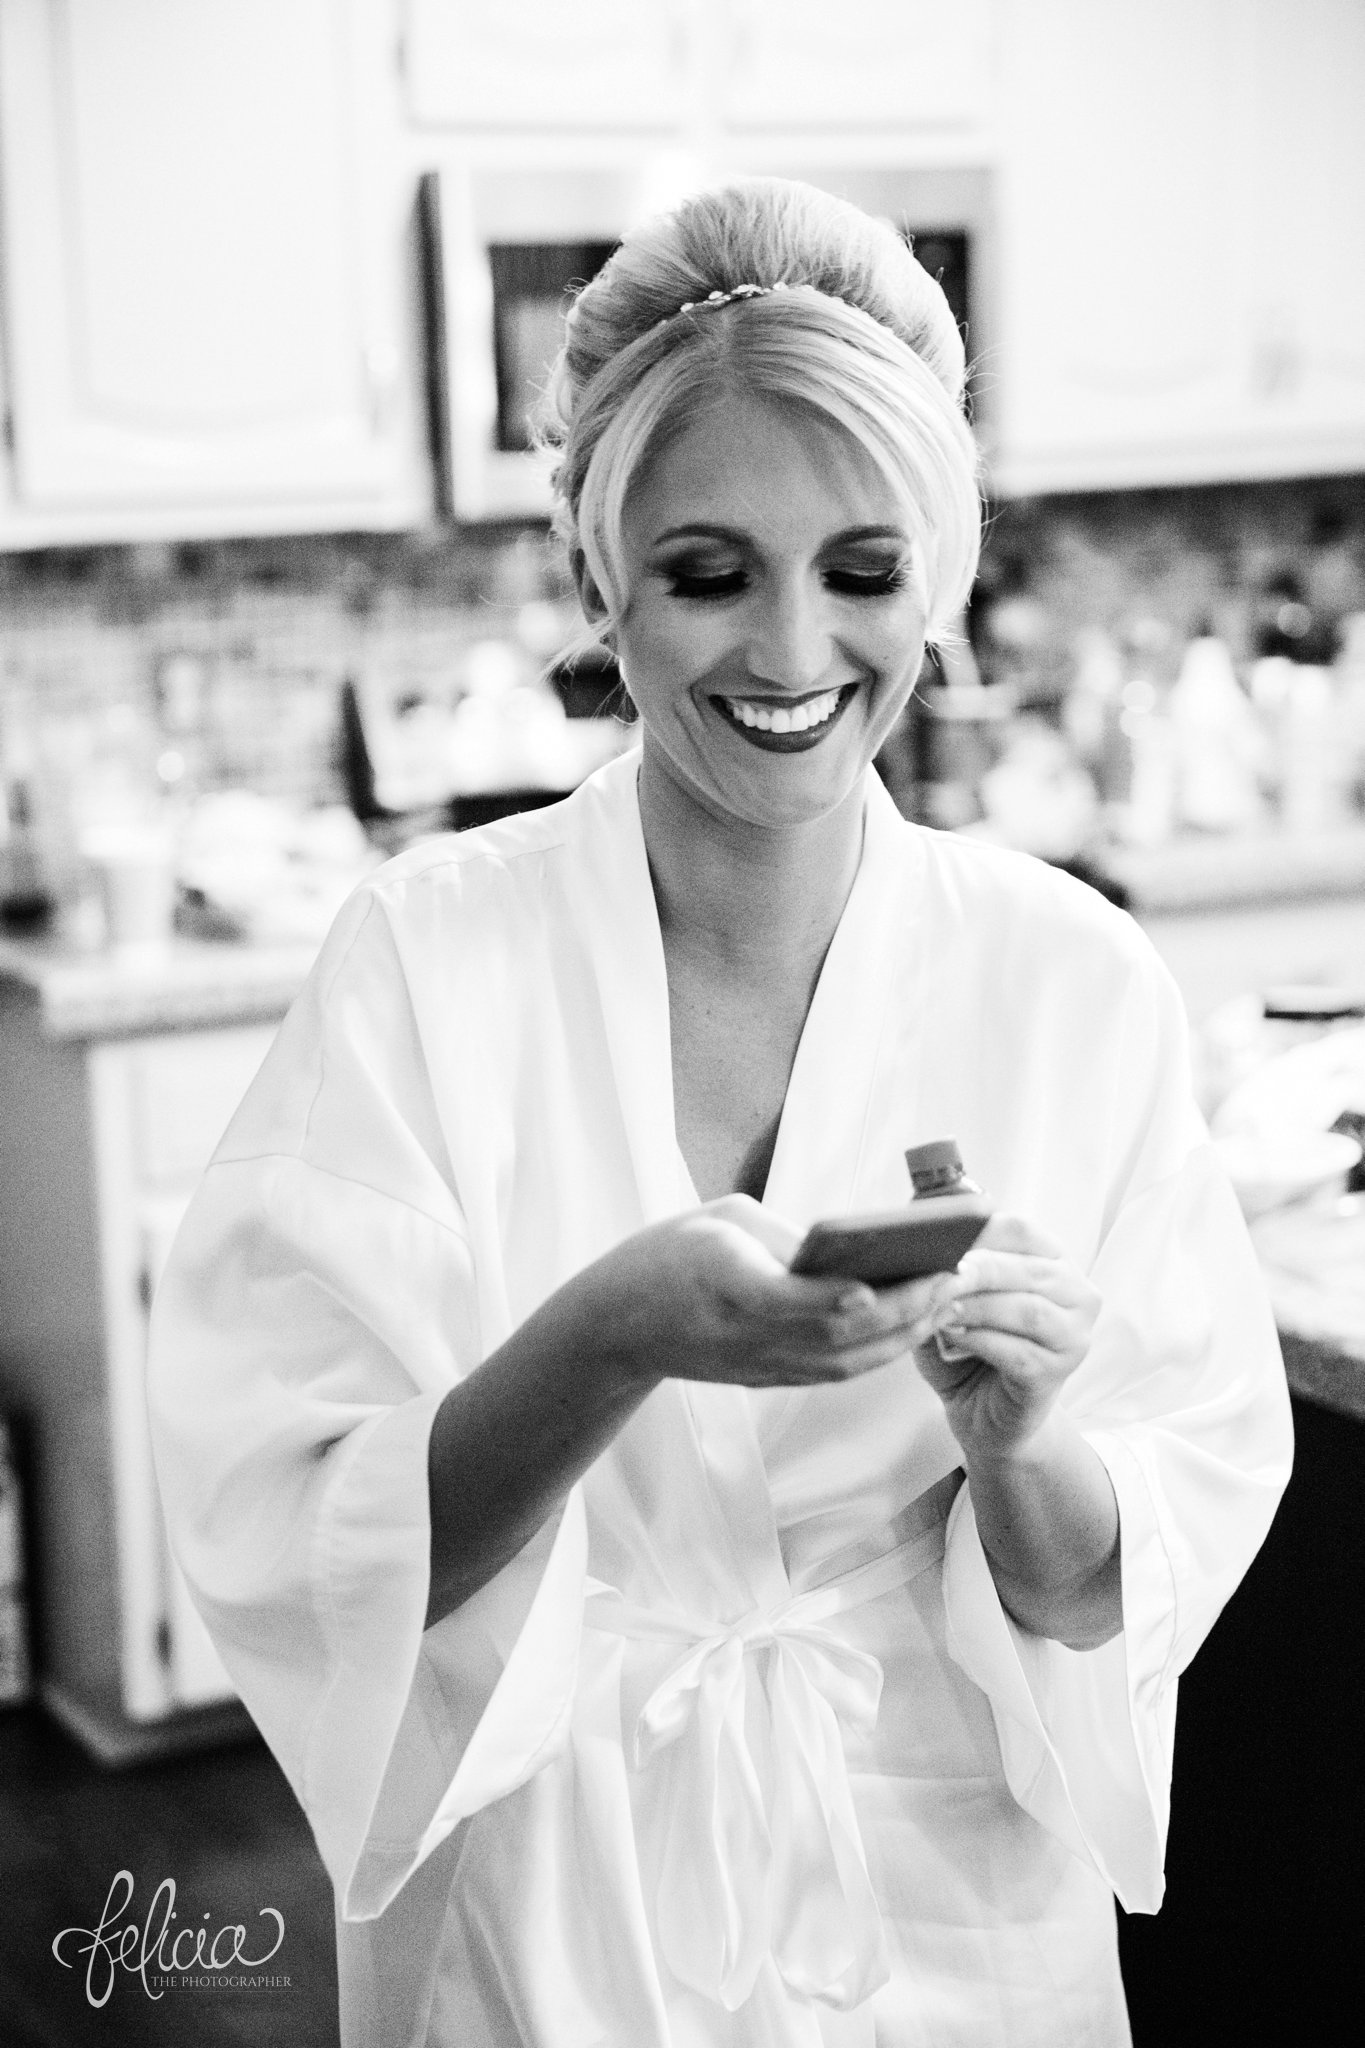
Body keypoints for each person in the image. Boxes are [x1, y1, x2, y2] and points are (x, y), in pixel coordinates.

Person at [147, 179, 1292, 2048]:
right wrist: (613, 1334)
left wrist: (1016, 1446)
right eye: (705, 572)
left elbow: (1110, 1588)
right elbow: (314, 1552)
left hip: (950, 1914)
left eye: (860, 572)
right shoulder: (427, 967)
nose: (787, 652)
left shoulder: (1069, 981)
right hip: (544, 1905)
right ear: (603, 582)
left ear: (941, 578)